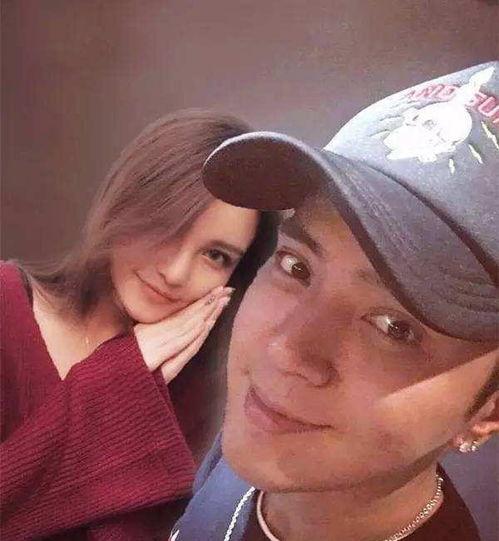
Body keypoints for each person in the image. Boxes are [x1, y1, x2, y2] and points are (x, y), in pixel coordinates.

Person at [171, 62, 499, 540]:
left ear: (488, 411)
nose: (285, 351)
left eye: (395, 327)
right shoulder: (262, 433)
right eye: (296, 267)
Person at [0, 110, 277, 541]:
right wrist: (116, 380)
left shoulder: (190, 398)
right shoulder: (5, 305)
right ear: (124, 204)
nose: (176, 272)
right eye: (169, 228)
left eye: (215, 256)